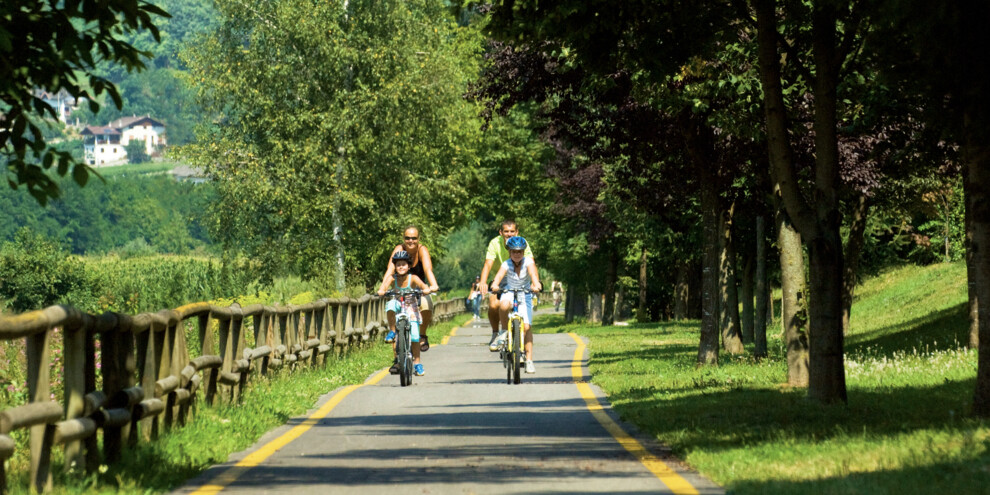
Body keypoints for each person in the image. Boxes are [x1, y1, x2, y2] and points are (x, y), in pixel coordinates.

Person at [381, 225, 440, 351]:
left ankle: (422, 334)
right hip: (399, 289)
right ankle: (397, 359)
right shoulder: (399, 249)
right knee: (394, 312)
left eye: (414, 238)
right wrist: (383, 288)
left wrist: (433, 285)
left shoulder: (422, 250)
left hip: (418, 289)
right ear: (403, 238)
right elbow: (390, 270)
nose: (410, 241)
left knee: (427, 304)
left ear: (419, 239)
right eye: (407, 238)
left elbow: (428, 269)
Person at [489, 236, 542, 373]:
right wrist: (495, 285)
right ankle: (504, 331)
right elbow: (499, 277)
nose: (517, 254)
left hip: (525, 293)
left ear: (523, 252)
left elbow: (533, 275)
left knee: (526, 327)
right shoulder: (506, 264)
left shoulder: (528, 262)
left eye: (519, 252)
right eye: (514, 252)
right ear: (509, 252)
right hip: (509, 291)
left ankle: (529, 360)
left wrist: (536, 285)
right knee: (503, 305)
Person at [479, 220, 534, 350]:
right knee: (494, 305)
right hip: (501, 276)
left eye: (512, 231)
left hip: (520, 275)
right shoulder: (495, 243)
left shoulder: (522, 242)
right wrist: (483, 282)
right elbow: (488, 264)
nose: (509, 234)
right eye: (506, 232)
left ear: (517, 232)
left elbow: (531, 263)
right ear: (501, 233)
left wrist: (535, 282)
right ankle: (496, 333)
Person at [377, 250, 432, 376]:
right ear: (395, 267)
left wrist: (426, 289)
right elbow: (383, 287)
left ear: (409, 266)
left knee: (414, 336)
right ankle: (392, 331)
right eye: (398, 265)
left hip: (410, 308)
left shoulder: (413, 278)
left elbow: (424, 286)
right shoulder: (392, 278)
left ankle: (417, 363)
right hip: (398, 305)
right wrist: (381, 291)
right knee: (390, 304)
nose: (401, 267)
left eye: (404, 264)